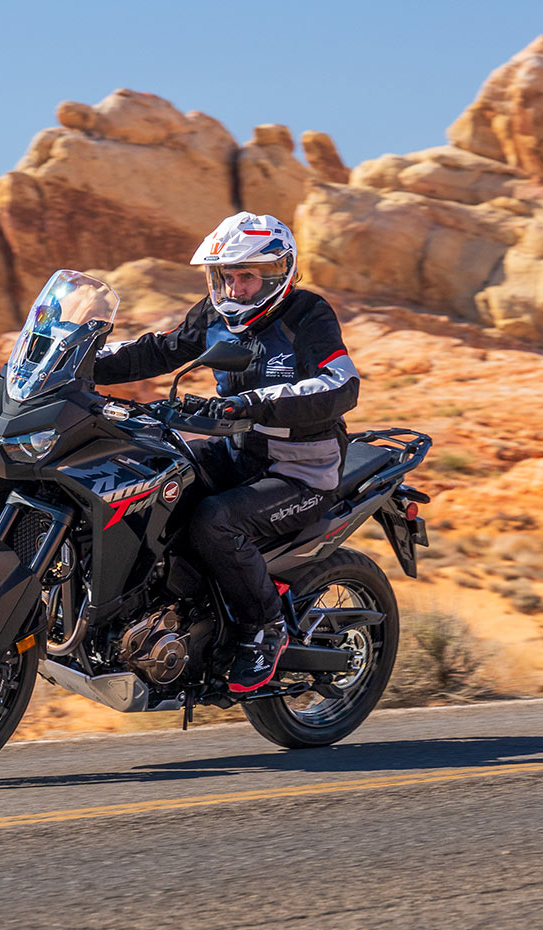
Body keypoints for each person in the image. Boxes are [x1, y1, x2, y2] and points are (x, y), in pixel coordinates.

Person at [93, 211, 360, 693]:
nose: (235, 289)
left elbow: (340, 384)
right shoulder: (215, 316)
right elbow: (159, 350)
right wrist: (75, 364)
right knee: (153, 478)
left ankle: (265, 628)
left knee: (214, 521)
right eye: (227, 277)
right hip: (238, 453)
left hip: (302, 467)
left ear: (279, 272)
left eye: (247, 276)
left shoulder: (308, 316)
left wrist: (249, 401)